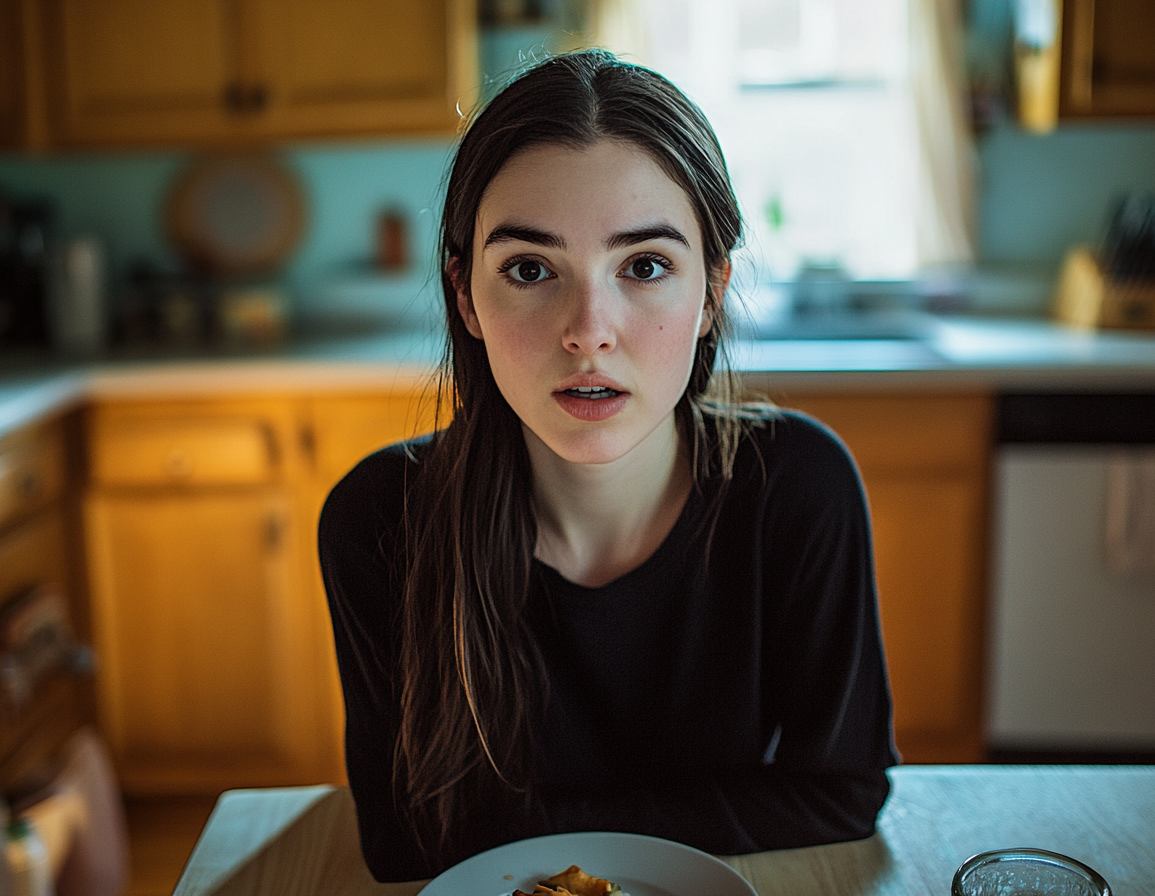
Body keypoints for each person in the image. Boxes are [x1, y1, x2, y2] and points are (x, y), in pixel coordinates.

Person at [318, 48, 898, 883]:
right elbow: (403, 841)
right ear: (463, 298)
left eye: (646, 266)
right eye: (529, 269)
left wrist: (532, 831)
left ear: (711, 292)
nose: (589, 330)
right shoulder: (378, 520)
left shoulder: (799, 488)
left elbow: (842, 792)